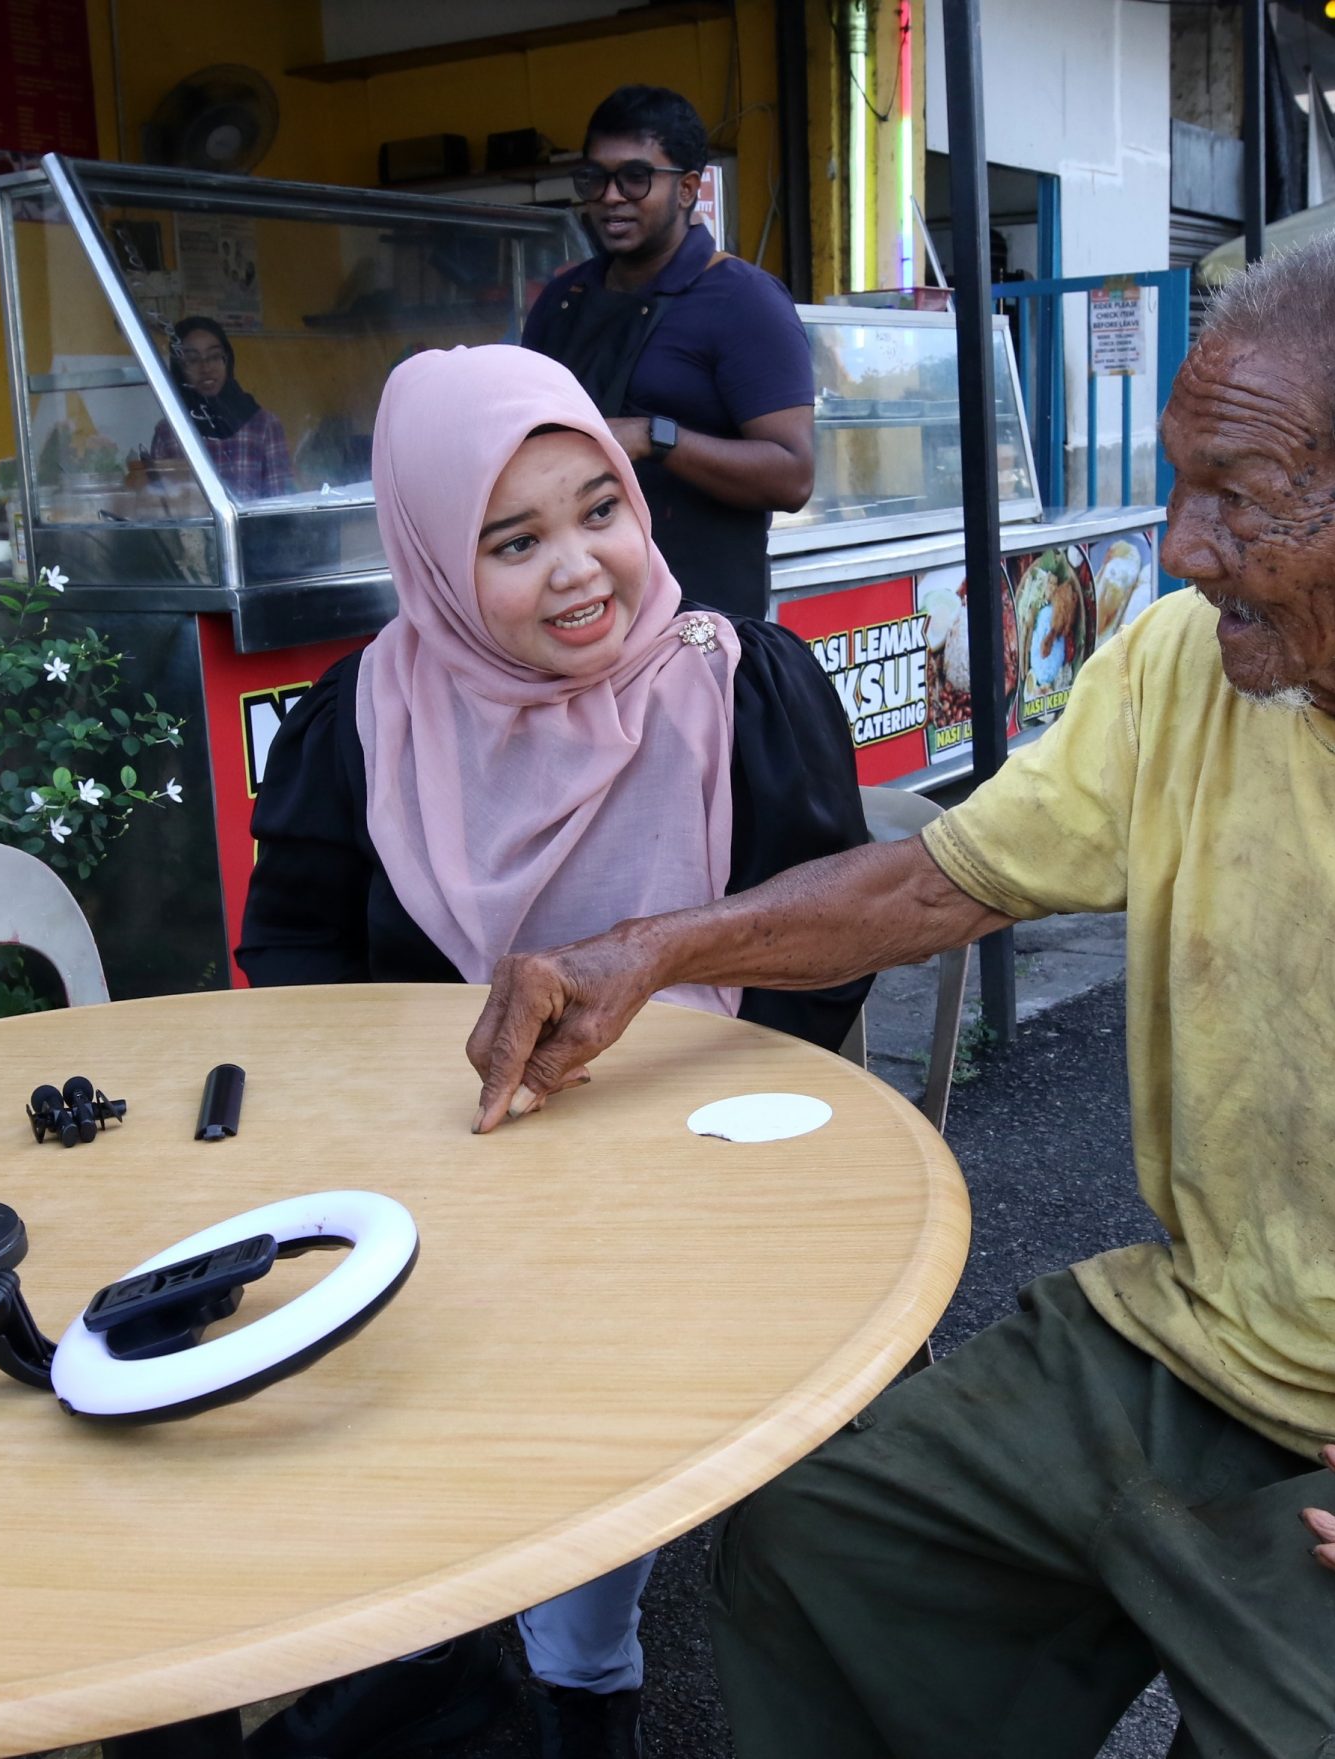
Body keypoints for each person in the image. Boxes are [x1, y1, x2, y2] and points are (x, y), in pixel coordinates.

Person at [463, 228, 1335, 1757]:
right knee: (825, 1544)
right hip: (1192, 1337)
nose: (1185, 547)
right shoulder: (1190, 668)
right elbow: (947, 877)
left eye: (1244, 502)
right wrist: (652, 950)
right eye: (1181, 482)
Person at [236, 343, 870, 1759]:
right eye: (512, 542)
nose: (582, 569)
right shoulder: (368, 717)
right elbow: (293, 955)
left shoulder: (739, 686)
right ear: (435, 557)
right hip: (448, 1171)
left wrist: (661, 1101)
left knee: (601, 1410)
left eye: (602, 509)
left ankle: (584, 1666)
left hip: (709, 1172)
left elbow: (826, 949)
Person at [522, 85, 814, 622]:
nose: (611, 195)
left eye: (635, 178)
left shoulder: (743, 299)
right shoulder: (564, 300)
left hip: (701, 619)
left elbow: (793, 476)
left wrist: (652, 437)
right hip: (578, 606)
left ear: (686, 189)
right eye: (595, 178)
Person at [150, 315, 295, 501]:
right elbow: (163, 507)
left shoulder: (264, 425)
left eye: (214, 356)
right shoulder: (170, 431)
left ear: (228, 360)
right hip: (194, 531)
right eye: (193, 360)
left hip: (255, 530)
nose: (206, 368)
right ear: (179, 369)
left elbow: (280, 501)